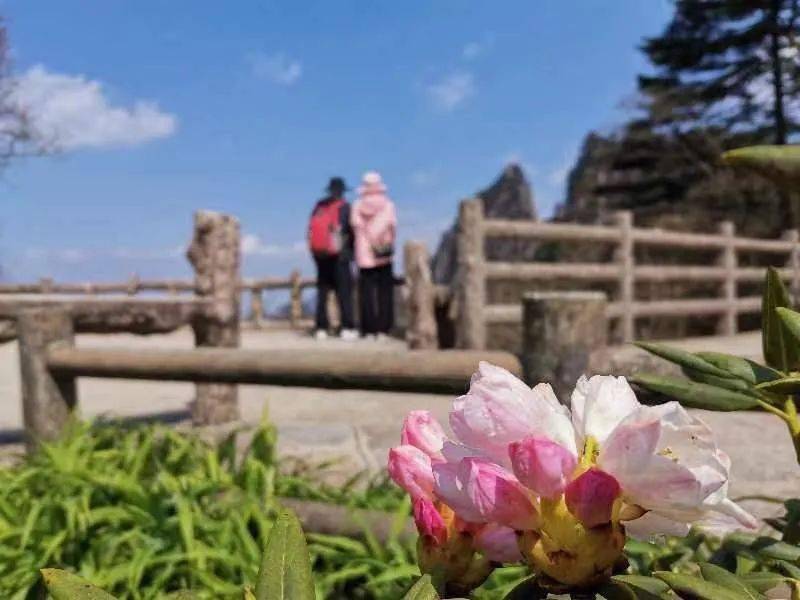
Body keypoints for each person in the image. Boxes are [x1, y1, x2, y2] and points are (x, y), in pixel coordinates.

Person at [308, 176, 357, 341]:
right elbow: (351, 232)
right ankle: (347, 327)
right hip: (340, 256)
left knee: (323, 292)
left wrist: (315, 253)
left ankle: (321, 327)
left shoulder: (319, 206)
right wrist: (353, 254)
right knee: (344, 293)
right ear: (342, 191)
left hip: (321, 256)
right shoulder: (346, 207)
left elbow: (311, 231)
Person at [351, 171, 397, 340]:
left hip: (364, 255)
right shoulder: (388, 205)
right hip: (382, 253)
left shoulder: (357, 205)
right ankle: (383, 329)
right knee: (384, 292)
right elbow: (393, 227)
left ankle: (368, 329)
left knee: (366, 293)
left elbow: (355, 225)